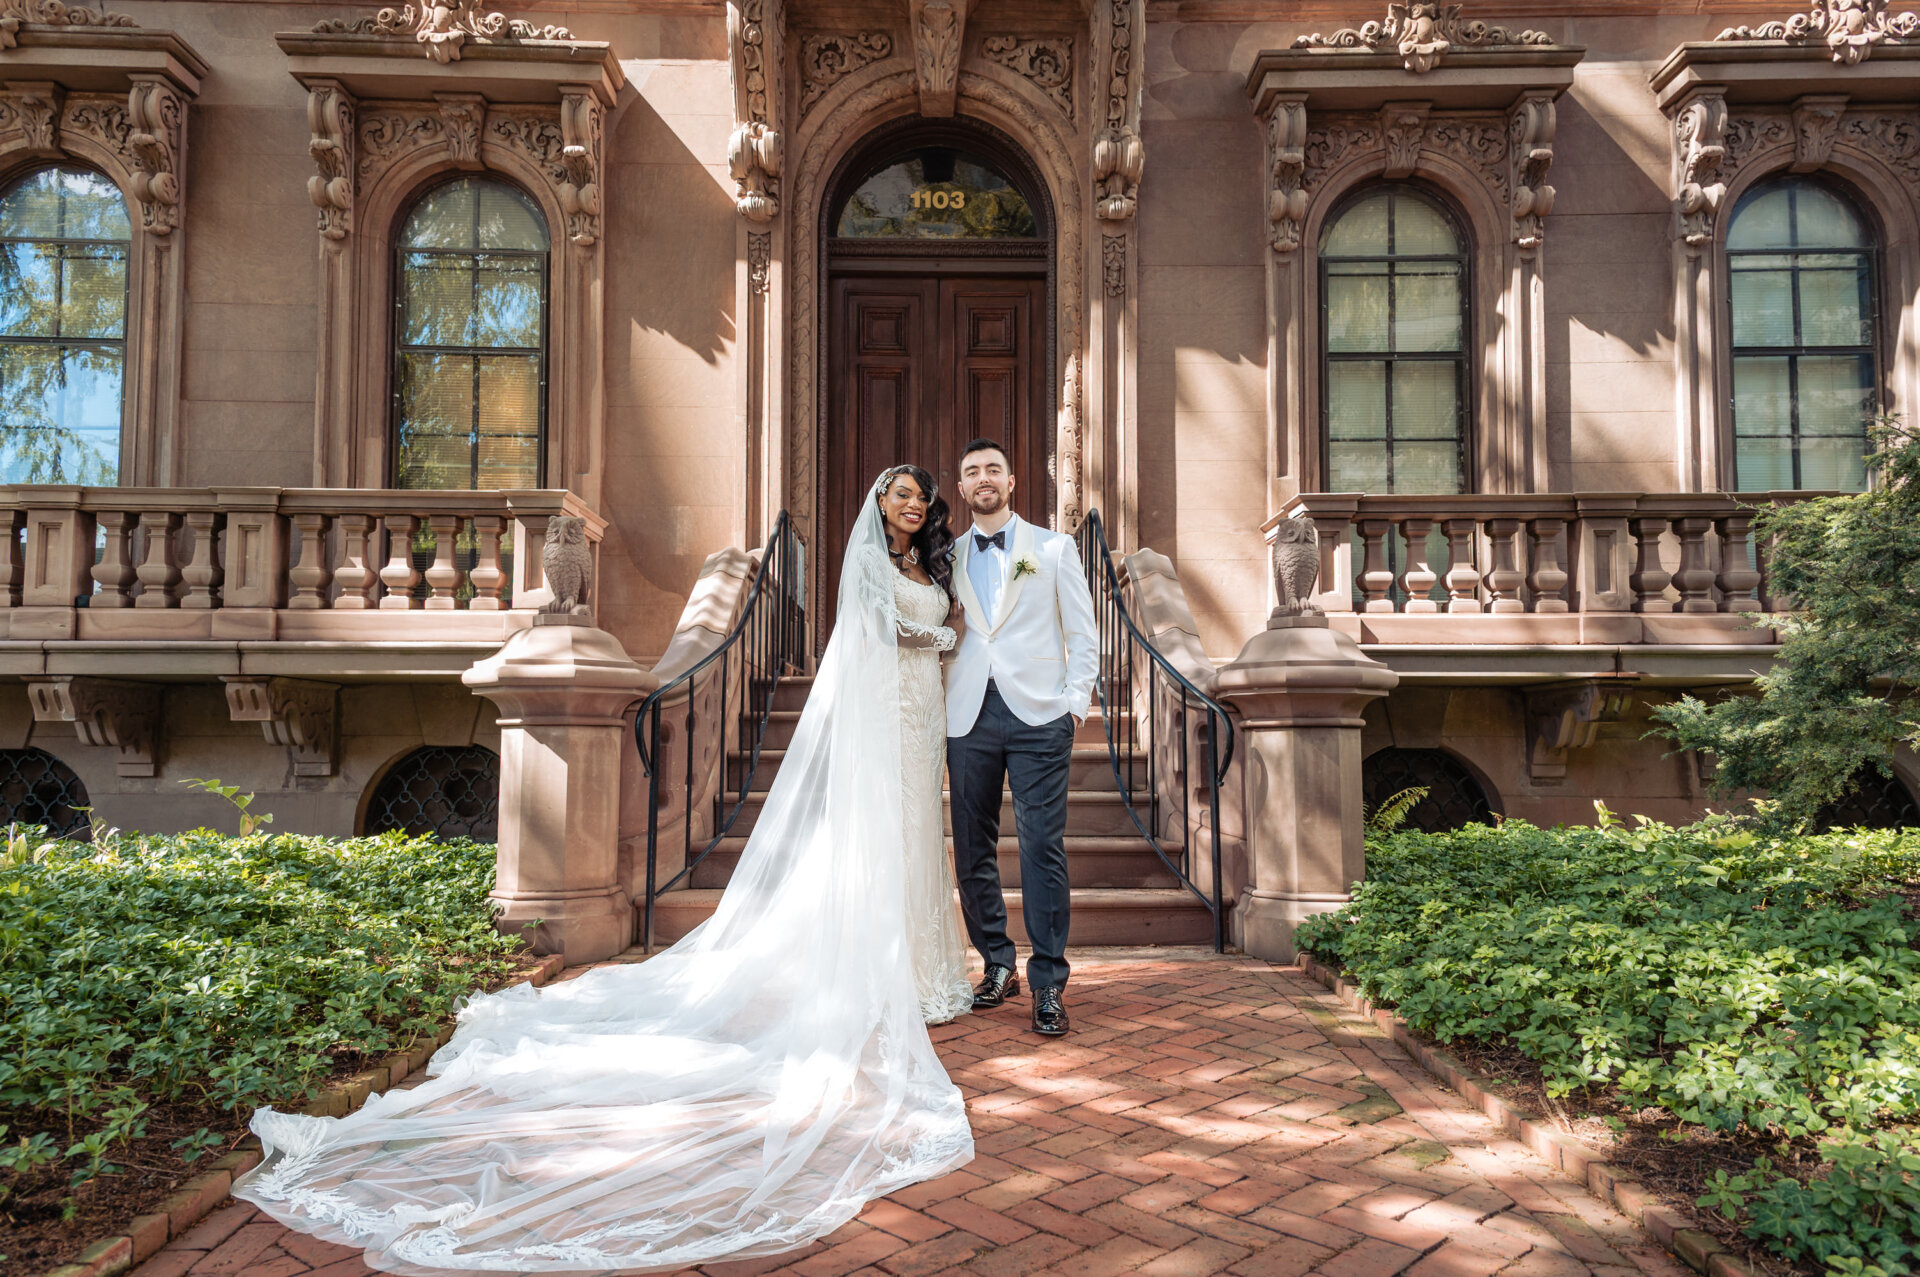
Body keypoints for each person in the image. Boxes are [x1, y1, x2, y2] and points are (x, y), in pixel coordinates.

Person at [232, 467, 977, 1276]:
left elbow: (938, 634)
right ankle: (881, 969)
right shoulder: (869, 563)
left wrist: (943, 633)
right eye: (898, 492)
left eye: (918, 495)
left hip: (924, 715)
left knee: (919, 836)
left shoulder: (930, 567)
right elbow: (873, 638)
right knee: (886, 834)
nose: (910, 503)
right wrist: (939, 637)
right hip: (883, 715)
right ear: (877, 503)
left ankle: (932, 970)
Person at [943, 439, 1099, 1037]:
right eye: (971, 472)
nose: (982, 479)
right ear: (961, 489)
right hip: (967, 717)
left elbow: (1082, 635)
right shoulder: (945, 556)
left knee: (1040, 848)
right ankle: (996, 963)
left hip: (1039, 718)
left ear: (1012, 482)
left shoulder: (1055, 550)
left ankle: (1049, 983)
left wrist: (1074, 708)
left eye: (992, 470)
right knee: (972, 848)